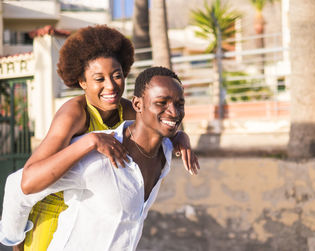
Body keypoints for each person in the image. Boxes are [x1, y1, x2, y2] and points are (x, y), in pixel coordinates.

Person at [18, 25, 199, 251]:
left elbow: (161, 121)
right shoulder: (73, 113)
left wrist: (181, 136)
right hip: (51, 208)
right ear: (82, 82)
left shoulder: (130, 109)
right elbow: (26, 182)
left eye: (117, 76)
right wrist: (90, 141)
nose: (111, 86)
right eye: (99, 78)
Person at [0, 66, 185, 250]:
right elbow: (18, 187)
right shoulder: (98, 156)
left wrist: (181, 137)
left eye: (179, 104)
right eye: (161, 102)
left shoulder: (165, 152)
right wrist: (15, 239)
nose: (174, 112)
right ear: (137, 104)